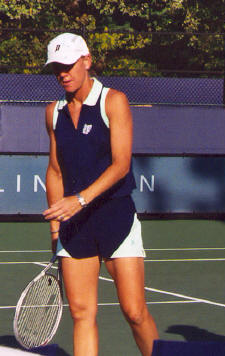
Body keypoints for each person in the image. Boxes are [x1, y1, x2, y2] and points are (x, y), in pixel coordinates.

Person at [42, 33, 158, 356]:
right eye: (56, 69)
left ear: (86, 61)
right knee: (82, 315)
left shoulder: (114, 102)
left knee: (134, 312)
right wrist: (55, 229)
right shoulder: (53, 112)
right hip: (75, 227)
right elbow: (55, 171)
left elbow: (121, 166)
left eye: (68, 66)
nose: (62, 74)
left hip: (116, 218)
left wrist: (79, 199)